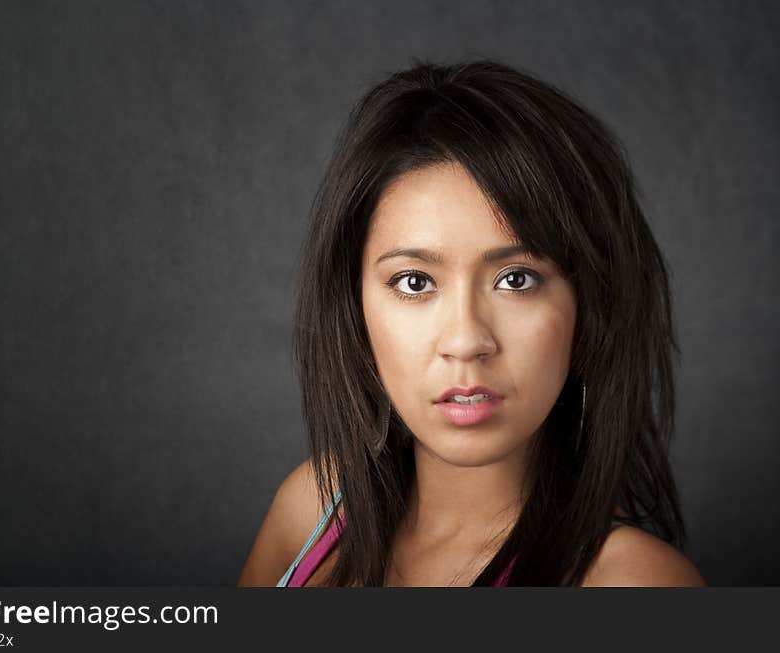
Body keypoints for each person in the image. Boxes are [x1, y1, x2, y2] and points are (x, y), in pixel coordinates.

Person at [238, 59, 706, 587]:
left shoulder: (634, 583)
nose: (465, 341)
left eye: (517, 280)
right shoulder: (312, 510)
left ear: (590, 307)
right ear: (354, 307)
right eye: (415, 282)